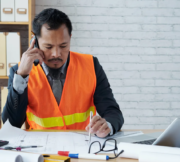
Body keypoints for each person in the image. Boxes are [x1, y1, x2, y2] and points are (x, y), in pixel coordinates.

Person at [2, 8, 124, 138]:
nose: (56, 54)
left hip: (82, 147)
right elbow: (11, 124)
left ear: (70, 38)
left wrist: (107, 125)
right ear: (35, 41)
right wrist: (22, 76)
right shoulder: (19, 71)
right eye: (48, 47)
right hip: (40, 149)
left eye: (63, 46)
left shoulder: (91, 65)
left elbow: (113, 112)